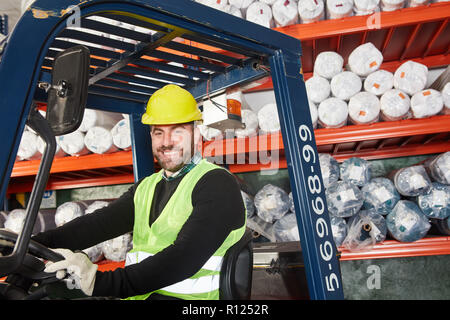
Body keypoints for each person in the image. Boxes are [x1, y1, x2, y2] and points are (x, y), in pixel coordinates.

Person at [33, 84, 247, 300]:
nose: (166, 142)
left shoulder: (216, 183)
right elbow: (98, 224)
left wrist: (99, 282)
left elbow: (183, 258)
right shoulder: (146, 187)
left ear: (197, 135)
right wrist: (32, 244)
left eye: (178, 131)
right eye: (158, 132)